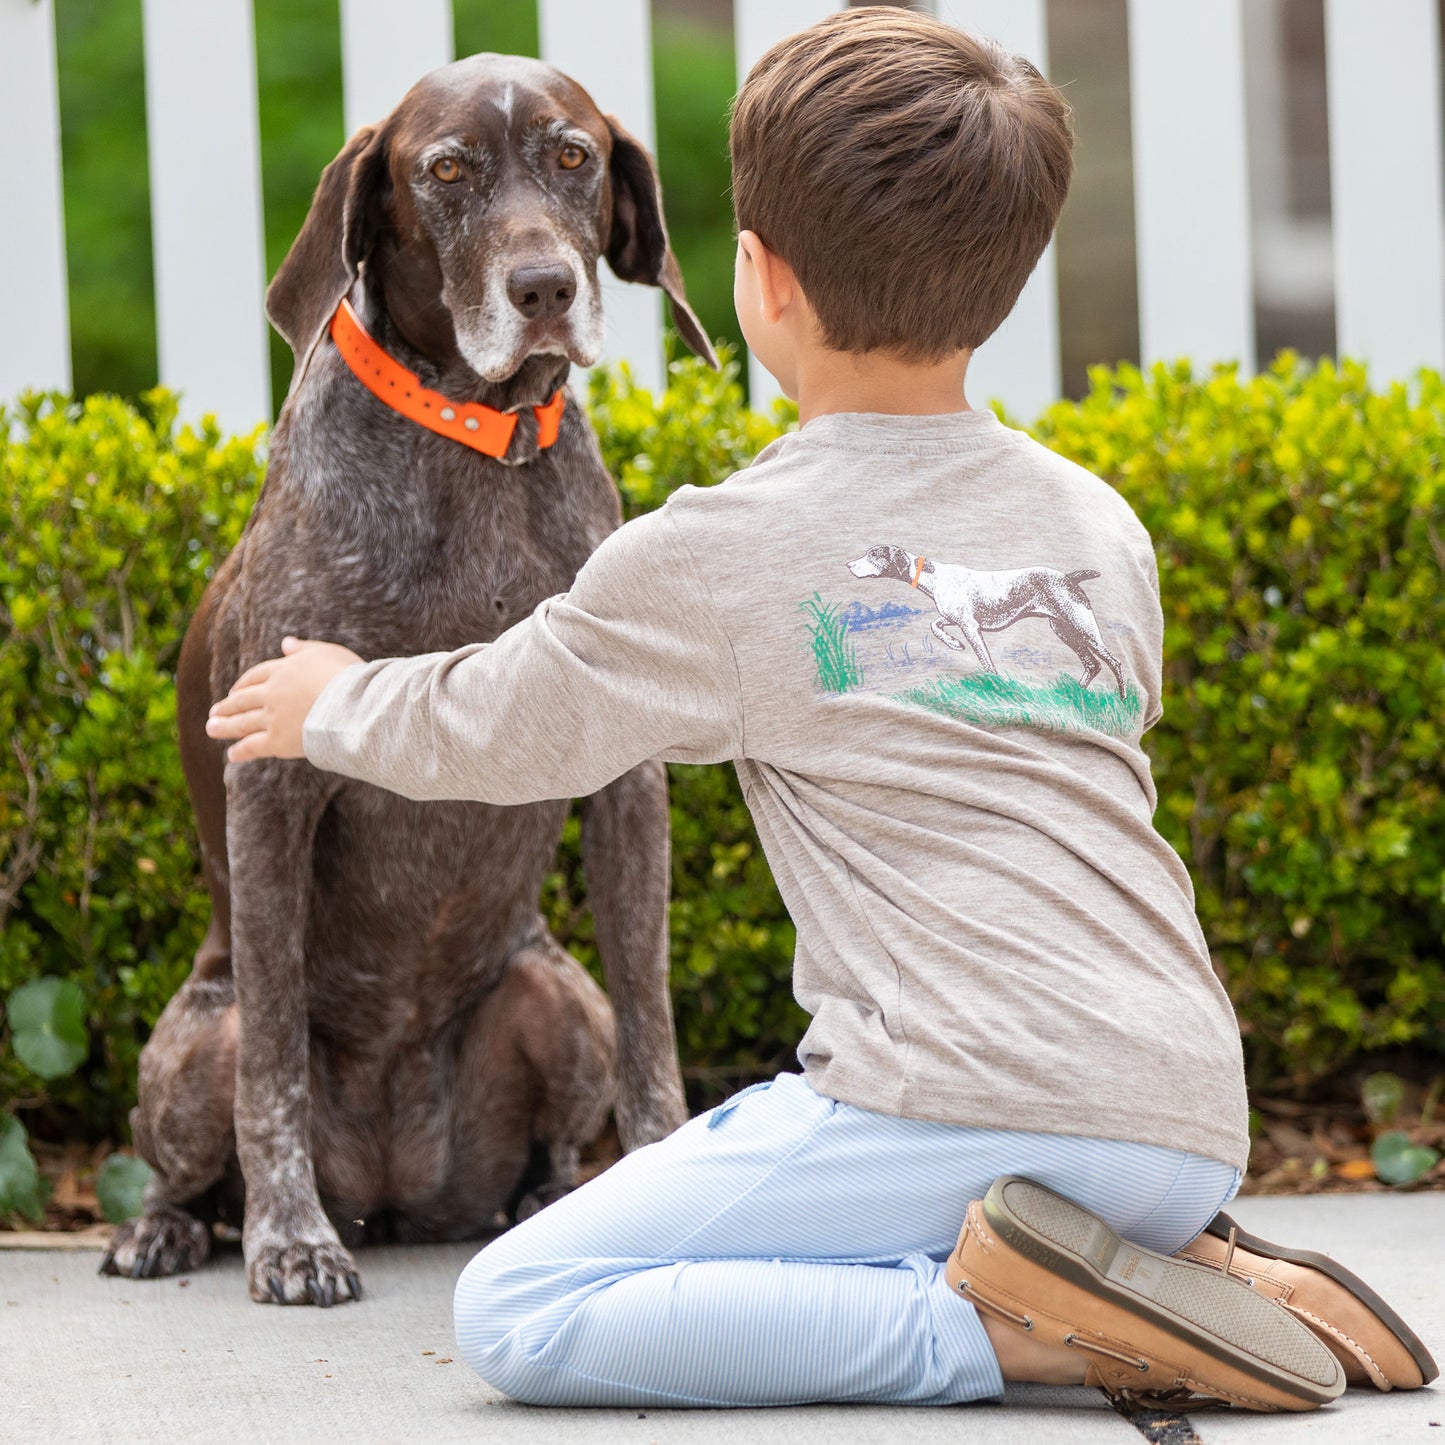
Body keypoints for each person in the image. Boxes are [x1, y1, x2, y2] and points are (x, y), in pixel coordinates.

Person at [207, 7, 1434, 1411]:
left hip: (937, 1109)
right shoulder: (1098, 523)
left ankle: (1011, 1326)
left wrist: (340, 701)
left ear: (758, 279)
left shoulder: (722, 547)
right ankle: (1176, 1262)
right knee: (875, 1160)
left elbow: (514, 717)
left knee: (522, 1306)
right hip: (1182, 1112)